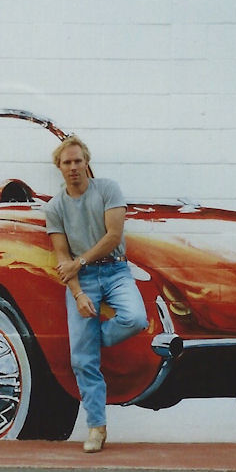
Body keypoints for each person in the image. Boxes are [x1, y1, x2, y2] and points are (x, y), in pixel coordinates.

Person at [43, 135, 149, 453]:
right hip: (83, 279)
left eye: (78, 161)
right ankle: (96, 428)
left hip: (116, 270)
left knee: (135, 318)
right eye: (67, 162)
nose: (73, 167)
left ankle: (88, 341)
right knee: (82, 361)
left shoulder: (108, 189)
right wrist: (77, 294)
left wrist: (81, 260)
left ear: (86, 162)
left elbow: (113, 234)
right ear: (59, 168)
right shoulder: (55, 207)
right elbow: (62, 258)